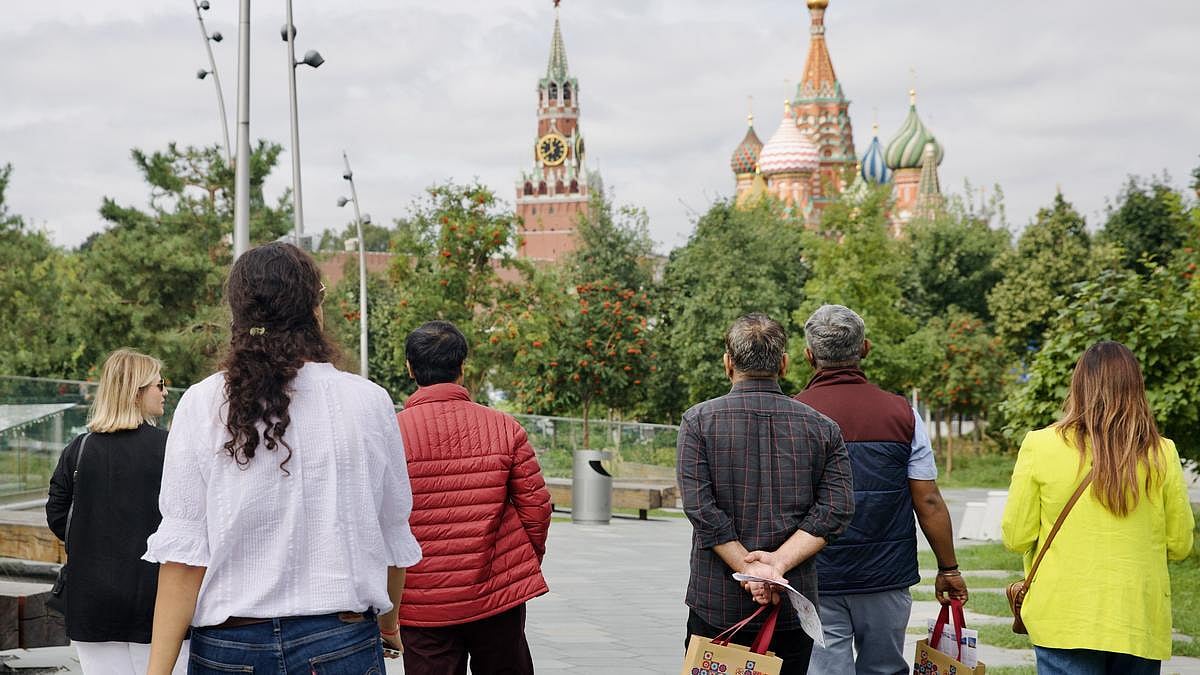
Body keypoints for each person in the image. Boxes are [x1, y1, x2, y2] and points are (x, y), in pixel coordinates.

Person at [143, 242, 422, 674]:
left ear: (238, 313)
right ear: (314, 309)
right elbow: (390, 534)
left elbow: (183, 558)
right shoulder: (369, 401)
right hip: (341, 638)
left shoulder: (201, 403)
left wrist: (157, 671)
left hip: (229, 646)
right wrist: (389, 626)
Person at [794, 304, 968, 675]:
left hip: (816, 576)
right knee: (885, 669)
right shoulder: (903, 413)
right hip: (885, 575)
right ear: (865, 348)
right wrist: (948, 568)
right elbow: (928, 499)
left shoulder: (792, 414)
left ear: (809, 356)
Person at [677, 313, 855, 675]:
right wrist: (776, 567)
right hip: (790, 602)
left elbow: (700, 508)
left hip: (717, 602)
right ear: (784, 364)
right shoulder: (822, 428)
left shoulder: (698, 422)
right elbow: (836, 508)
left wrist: (748, 568)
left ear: (728, 363)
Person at [1002, 341, 1194, 675]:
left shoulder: (1040, 445)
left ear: (1078, 386)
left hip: (1062, 615)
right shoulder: (1162, 452)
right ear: (1136, 388)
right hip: (1138, 617)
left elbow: (1016, 537)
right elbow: (1179, 545)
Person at [394, 320, 552, 674]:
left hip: (423, 601)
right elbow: (537, 509)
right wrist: (519, 564)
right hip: (497, 595)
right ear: (462, 367)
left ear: (410, 368)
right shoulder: (504, 427)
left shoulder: (391, 433)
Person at [45, 348, 186, 675]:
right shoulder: (171, 448)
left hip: (92, 602)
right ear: (137, 391)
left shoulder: (79, 449)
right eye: (159, 384)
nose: (165, 391)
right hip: (159, 601)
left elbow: (57, 515)